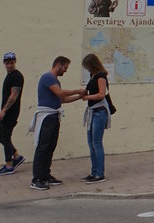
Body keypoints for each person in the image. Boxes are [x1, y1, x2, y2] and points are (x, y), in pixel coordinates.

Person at [29, 56, 87, 191]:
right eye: (65, 68)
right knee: (43, 147)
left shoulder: (56, 81)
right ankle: (37, 178)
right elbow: (60, 93)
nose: (65, 71)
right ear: (58, 64)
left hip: (54, 115)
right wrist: (78, 90)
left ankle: (45, 174)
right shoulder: (48, 77)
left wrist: (80, 97)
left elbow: (62, 99)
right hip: (46, 116)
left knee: (50, 146)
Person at [81, 52, 112, 183]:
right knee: (90, 143)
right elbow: (87, 90)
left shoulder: (100, 76)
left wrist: (87, 97)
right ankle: (93, 172)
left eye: (87, 66)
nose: (86, 68)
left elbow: (101, 94)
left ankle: (100, 174)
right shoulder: (92, 75)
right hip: (92, 111)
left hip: (100, 111)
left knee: (97, 143)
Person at [0, 51, 26, 175]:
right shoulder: (10, 75)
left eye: (11, 63)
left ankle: (9, 165)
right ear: (4, 63)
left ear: (15, 62)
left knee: (5, 137)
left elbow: (13, 96)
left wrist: (3, 111)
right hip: (6, 112)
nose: (9, 65)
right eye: (7, 63)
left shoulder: (17, 76)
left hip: (10, 112)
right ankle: (17, 156)